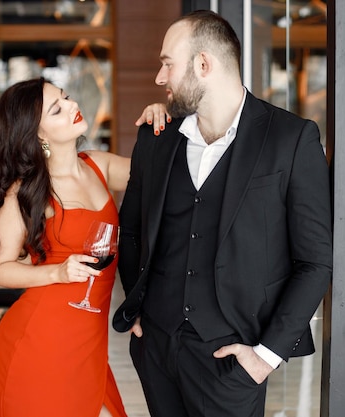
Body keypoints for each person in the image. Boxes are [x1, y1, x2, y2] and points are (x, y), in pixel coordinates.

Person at [112, 10, 333, 417]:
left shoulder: (291, 138)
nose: (160, 78)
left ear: (203, 64)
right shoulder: (156, 137)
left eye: (167, 64)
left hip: (231, 360)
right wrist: (137, 306)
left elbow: (315, 261)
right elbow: (131, 230)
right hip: (156, 349)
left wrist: (265, 357)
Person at [0, 77, 167, 417]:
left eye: (66, 97)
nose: (72, 106)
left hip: (89, 341)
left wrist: (161, 122)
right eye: (57, 109)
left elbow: (164, 172)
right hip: (40, 343)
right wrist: (56, 271)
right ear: (39, 135)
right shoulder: (27, 192)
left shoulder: (98, 165)